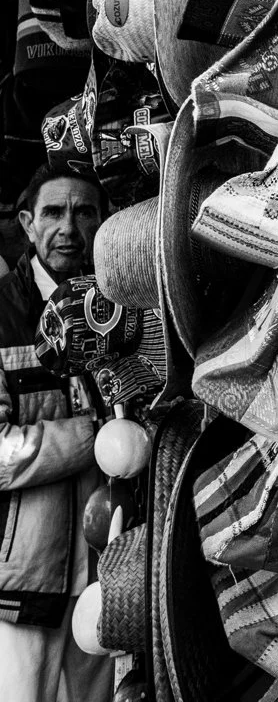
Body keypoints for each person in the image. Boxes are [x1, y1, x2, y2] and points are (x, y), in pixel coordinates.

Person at [0, 167, 113, 702]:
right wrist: (94, 435)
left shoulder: (122, 309)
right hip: (25, 570)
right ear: (26, 223)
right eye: (53, 212)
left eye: (85, 211)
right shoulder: (1, 313)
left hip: (107, 566)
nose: (69, 227)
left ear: (103, 221)